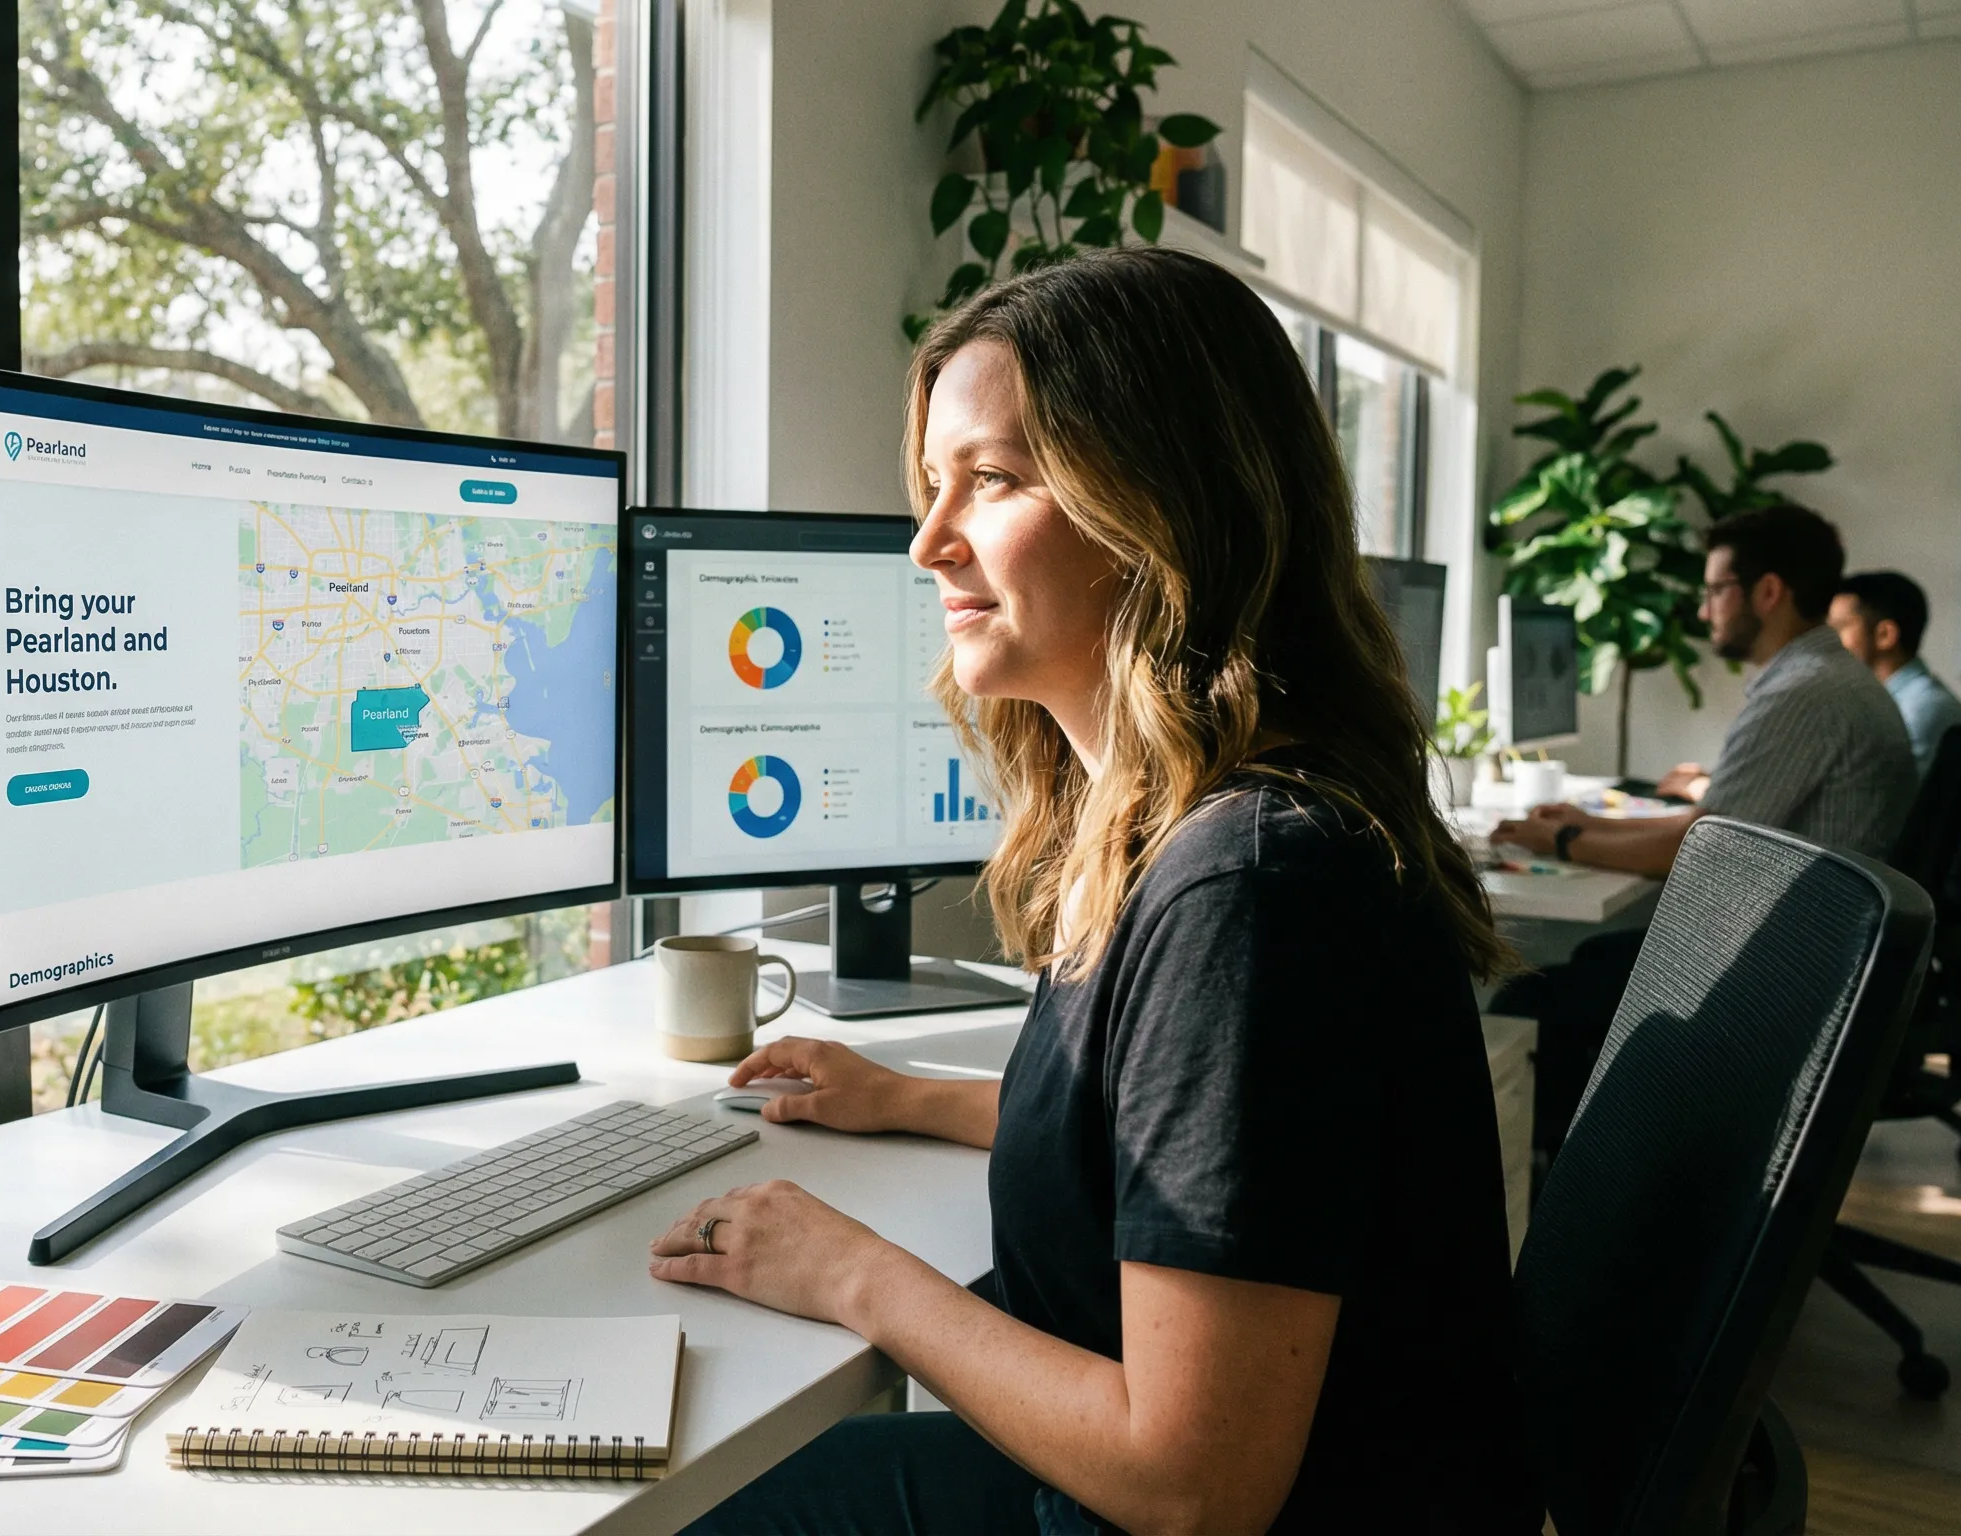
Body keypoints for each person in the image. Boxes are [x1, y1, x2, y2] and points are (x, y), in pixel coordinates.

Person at [648, 249, 1539, 1535]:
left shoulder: (1247, 888)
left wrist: (851, 1273)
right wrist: (903, 1098)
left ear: (1161, 507)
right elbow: (1181, 1140)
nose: (926, 541)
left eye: (993, 480)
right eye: (932, 484)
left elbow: (1194, 1483)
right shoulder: (1192, 827)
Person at [1490, 503, 1916, 873]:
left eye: (1715, 591)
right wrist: (1590, 823)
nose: (1703, 609)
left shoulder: (1803, 692)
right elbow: (1709, 823)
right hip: (1818, 941)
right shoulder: (1829, 676)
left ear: (1768, 592)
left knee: (1573, 965)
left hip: (1786, 955)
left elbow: (1699, 851)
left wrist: (1563, 840)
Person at [1830, 569, 1961, 777]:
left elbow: (1865, 798)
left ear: (1885, 635)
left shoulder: (1918, 710)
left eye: (1838, 628)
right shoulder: (1904, 701)